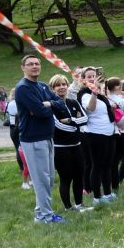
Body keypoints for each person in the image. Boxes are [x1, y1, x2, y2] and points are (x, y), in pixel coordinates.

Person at [15, 56, 68, 223]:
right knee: (41, 180)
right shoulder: (23, 88)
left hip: (47, 136)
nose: (34, 66)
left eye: (37, 63)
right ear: (23, 67)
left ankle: (41, 213)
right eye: (30, 64)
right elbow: (40, 112)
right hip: (33, 139)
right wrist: (47, 106)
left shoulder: (42, 85)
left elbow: (61, 104)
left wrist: (48, 104)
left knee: (49, 178)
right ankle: (46, 216)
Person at [49, 74, 90, 212]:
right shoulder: (51, 105)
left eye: (64, 84)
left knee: (79, 176)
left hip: (77, 145)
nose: (61, 87)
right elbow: (58, 125)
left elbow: (85, 119)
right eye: (57, 85)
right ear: (52, 89)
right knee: (66, 178)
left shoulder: (73, 102)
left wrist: (71, 121)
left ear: (67, 86)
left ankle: (79, 204)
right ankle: (68, 207)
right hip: (61, 148)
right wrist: (76, 125)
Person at [77, 67, 117, 205]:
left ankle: (107, 193)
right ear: (83, 80)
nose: (92, 78)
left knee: (107, 165)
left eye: (94, 75)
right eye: (89, 76)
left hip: (109, 132)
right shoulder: (84, 93)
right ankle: (97, 197)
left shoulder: (100, 93)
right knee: (97, 165)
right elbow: (91, 108)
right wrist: (94, 92)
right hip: (95, 133)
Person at [7, 90, 31, 189]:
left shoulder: (10, 103)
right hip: (19, 127)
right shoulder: (20, 103)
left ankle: (24, 169)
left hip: (13, 128)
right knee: (22, 150)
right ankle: (25, 170)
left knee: (18, 149)